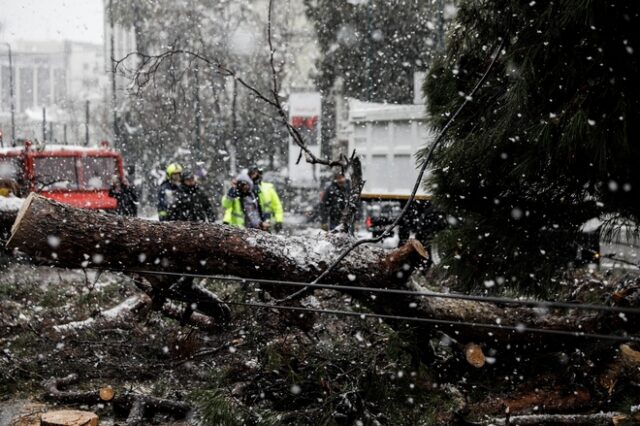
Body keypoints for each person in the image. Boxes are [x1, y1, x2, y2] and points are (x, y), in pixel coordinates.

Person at [248, 164, 284, 233]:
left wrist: (279, 221)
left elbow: (277, 206)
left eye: (257, 174)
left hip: (265, 224)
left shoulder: (268, 189)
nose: (255, 176)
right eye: (253, 174)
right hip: (249, 225)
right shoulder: (245, 189)